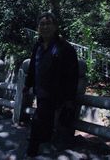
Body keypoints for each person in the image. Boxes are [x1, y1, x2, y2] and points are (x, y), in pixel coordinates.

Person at [23, 12, 79, 157]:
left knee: (37, 120)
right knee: (45, 120)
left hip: (55, 92)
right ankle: (45, 142)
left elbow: (72, 75)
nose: (45, 27)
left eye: (49, 24)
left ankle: (32, 151)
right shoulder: (38, 45)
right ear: (38, 27)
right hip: (40, 90)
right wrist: (27, 84)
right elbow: (32, 67)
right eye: (42, 24)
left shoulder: (64, 48)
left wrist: (69, 99)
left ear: (55, 27)